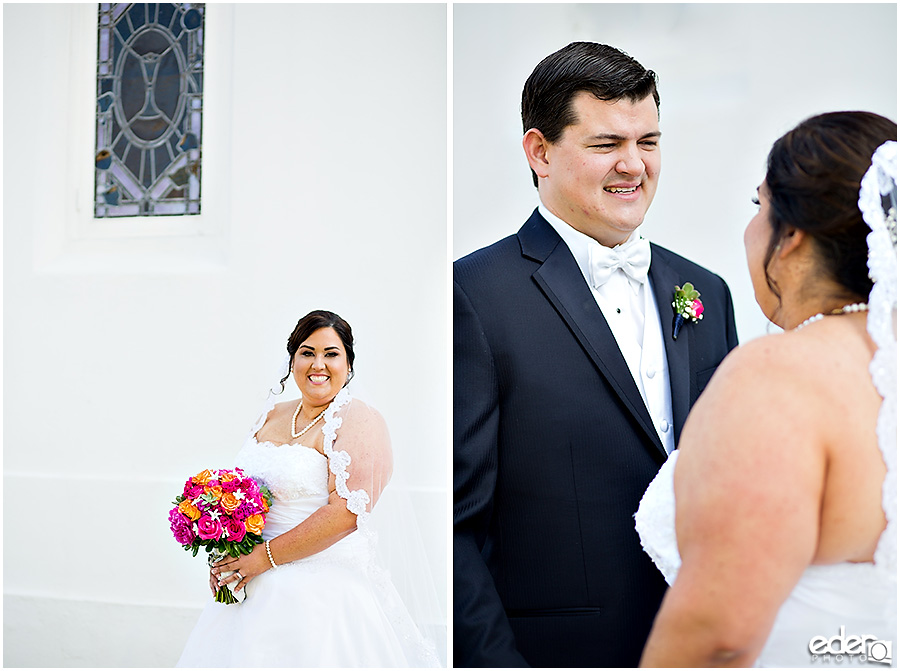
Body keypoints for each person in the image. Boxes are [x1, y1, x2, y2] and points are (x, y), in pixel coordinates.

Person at [453, 42, 738, 667]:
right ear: (539, 151)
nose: (634, 165)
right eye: (607, 144)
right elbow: (456, 528)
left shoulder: (706, 294)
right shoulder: (473, 295)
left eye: (649, 141)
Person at [636, 112, 897, 666]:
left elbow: (717, 635)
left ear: (791, 236)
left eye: (760, 207)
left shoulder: (781, 376)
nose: (752, 227)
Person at [176, 310, 440, 667]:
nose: (318, 363)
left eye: (331, 353)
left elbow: (347, 513)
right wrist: (225, 553)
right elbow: (243, 497)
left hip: (320, 596)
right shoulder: (271, 414)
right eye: (307, 351)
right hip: (248, 589)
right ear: (293, 359)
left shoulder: (358, 419)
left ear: (348, 364)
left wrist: (263, 558)